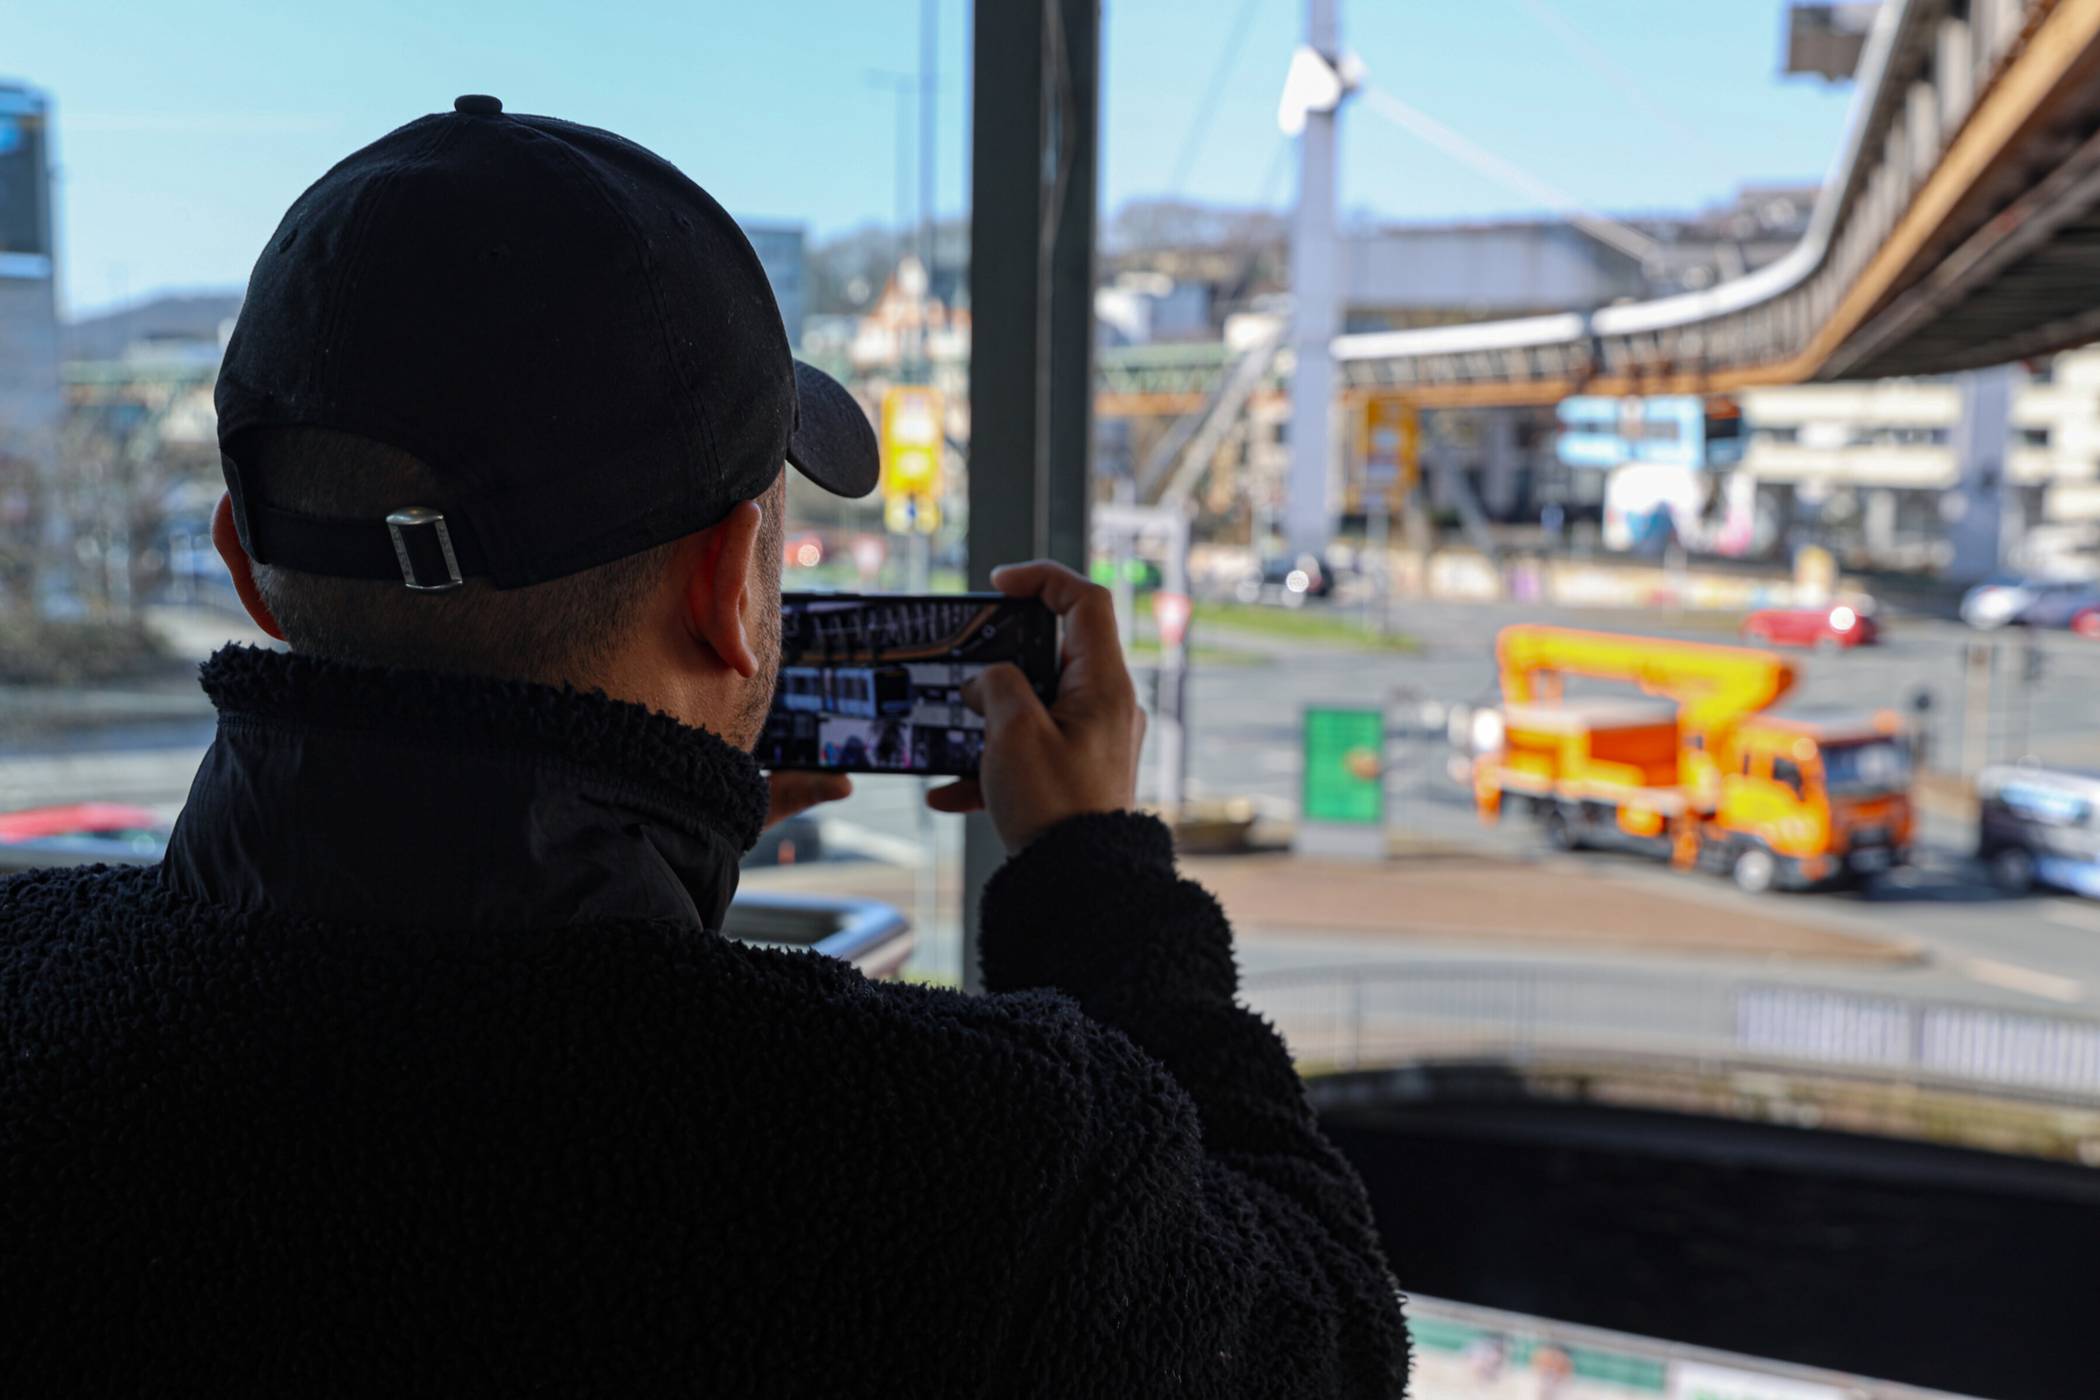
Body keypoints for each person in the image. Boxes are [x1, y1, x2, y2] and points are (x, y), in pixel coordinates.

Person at [0, 99, 1408, 1396]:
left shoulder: (33, 987)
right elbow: (1322, 1334)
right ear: (730, 591)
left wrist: (669, 860)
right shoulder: (971, 1168)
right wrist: (1099, 881)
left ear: (248, 563)